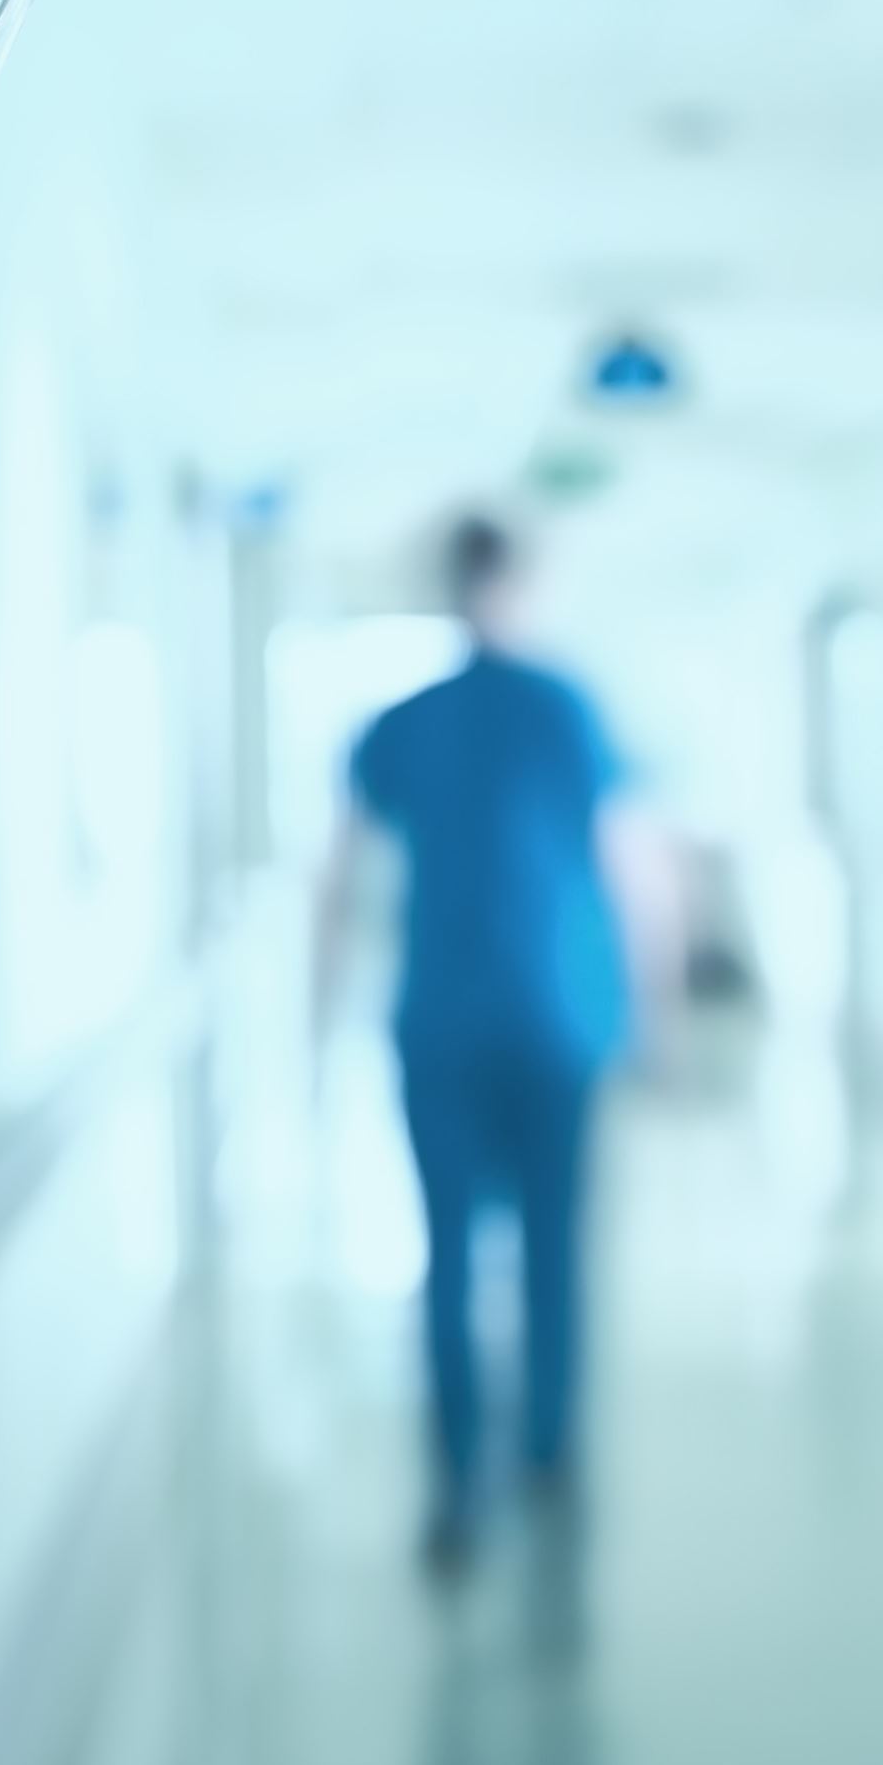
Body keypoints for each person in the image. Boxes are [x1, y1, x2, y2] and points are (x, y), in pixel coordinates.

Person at [324, 515, 634, 1572]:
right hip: (557, 1018)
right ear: (523, 585)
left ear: (452, 589)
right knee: (551, 1248)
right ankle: (548, 1455)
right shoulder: (568, 707)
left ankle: (461, 1483)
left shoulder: (402, 724)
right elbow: (630, 864)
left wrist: (318, 1007)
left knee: (449, 1256)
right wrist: (662, 1016)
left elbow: (344, 874)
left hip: (443, 1019)